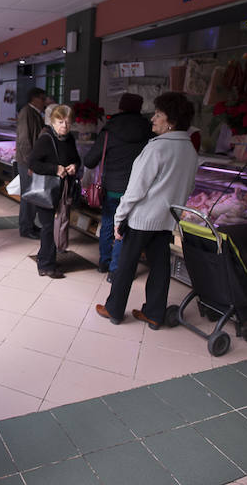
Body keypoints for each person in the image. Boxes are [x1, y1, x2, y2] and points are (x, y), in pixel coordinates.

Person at [96, 92, 197, 329]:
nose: (153, 119)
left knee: (125, 265)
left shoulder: (157, 148)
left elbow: (135, 189)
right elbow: (189, 187)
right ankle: (154, 313)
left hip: (142, 219)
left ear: (170, 121)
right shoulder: (190, 150)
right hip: (166, 220)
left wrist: (120, 218)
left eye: (158, 115)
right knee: (161, 267)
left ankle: (114, 309)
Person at [83, 93, 153, 274]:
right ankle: (116, 270)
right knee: (125, 229)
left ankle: (104, 263)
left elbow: (90, 161)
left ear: (121, 108)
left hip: (112, 188)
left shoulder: (109, 130)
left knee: (108, 223)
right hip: (137, 189)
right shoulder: (148, 131)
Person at [28, 104, 81, 279]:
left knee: (53, 227)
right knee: (48, 227)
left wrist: (74, 166)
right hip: (47, 190)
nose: (64, 126)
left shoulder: (70, 139)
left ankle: (46, 259)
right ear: (53, 122)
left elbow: (76, 159)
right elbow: (33, 163)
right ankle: (46, 266)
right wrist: (55, 169)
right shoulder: (46, 138)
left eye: (67, 122)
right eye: (60, 122)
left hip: (62, 190)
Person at [15, 87, 48, 240]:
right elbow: (24, 141)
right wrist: (31, 163)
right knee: (28, 196)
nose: (45, 101)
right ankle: (26, 227)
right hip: (28, 163)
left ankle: (30, 224)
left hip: (33, 162)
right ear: (34, 98)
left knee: (32, 195)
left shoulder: (35, 113)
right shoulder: (26, 113)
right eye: (43, 98)